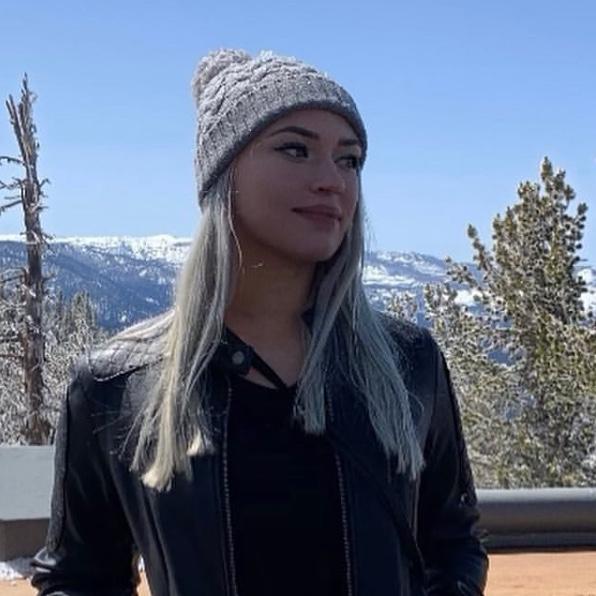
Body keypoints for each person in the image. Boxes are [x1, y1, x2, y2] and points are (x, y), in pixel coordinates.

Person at [31, 49, 488, 596]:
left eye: (349, 160)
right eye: (296, 149)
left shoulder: (408, 363)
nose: (333, 180)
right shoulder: (116, 385)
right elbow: (79, 576)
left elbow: (452, 542)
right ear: (224, 174)